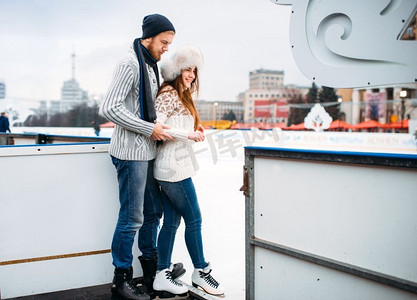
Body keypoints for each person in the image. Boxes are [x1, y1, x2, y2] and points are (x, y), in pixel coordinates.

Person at [99, 14, 183, 300]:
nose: (167, 48)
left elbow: (147, 108)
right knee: (131, 217)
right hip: (130, 153)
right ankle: (120, 280)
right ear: (148, 37)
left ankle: (151, 272)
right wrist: (150, 128)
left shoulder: (150, 65)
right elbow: (109, 108)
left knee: (152, 214)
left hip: (146, 152)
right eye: (164, 42)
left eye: (170, 43)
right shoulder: (130, 63)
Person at [151, 45, 225, 297]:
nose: (191, 75)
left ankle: (162, 274)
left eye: (194, 70)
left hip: (173, 166)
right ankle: (201, 271)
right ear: (177, 70)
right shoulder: (169, 93)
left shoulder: (182, 95)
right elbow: (158, 126)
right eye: (187, 69)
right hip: (174, 169)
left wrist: (196, 129)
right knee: (194, 219)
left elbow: (177, 123)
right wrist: (188, 134)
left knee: (171, 222)